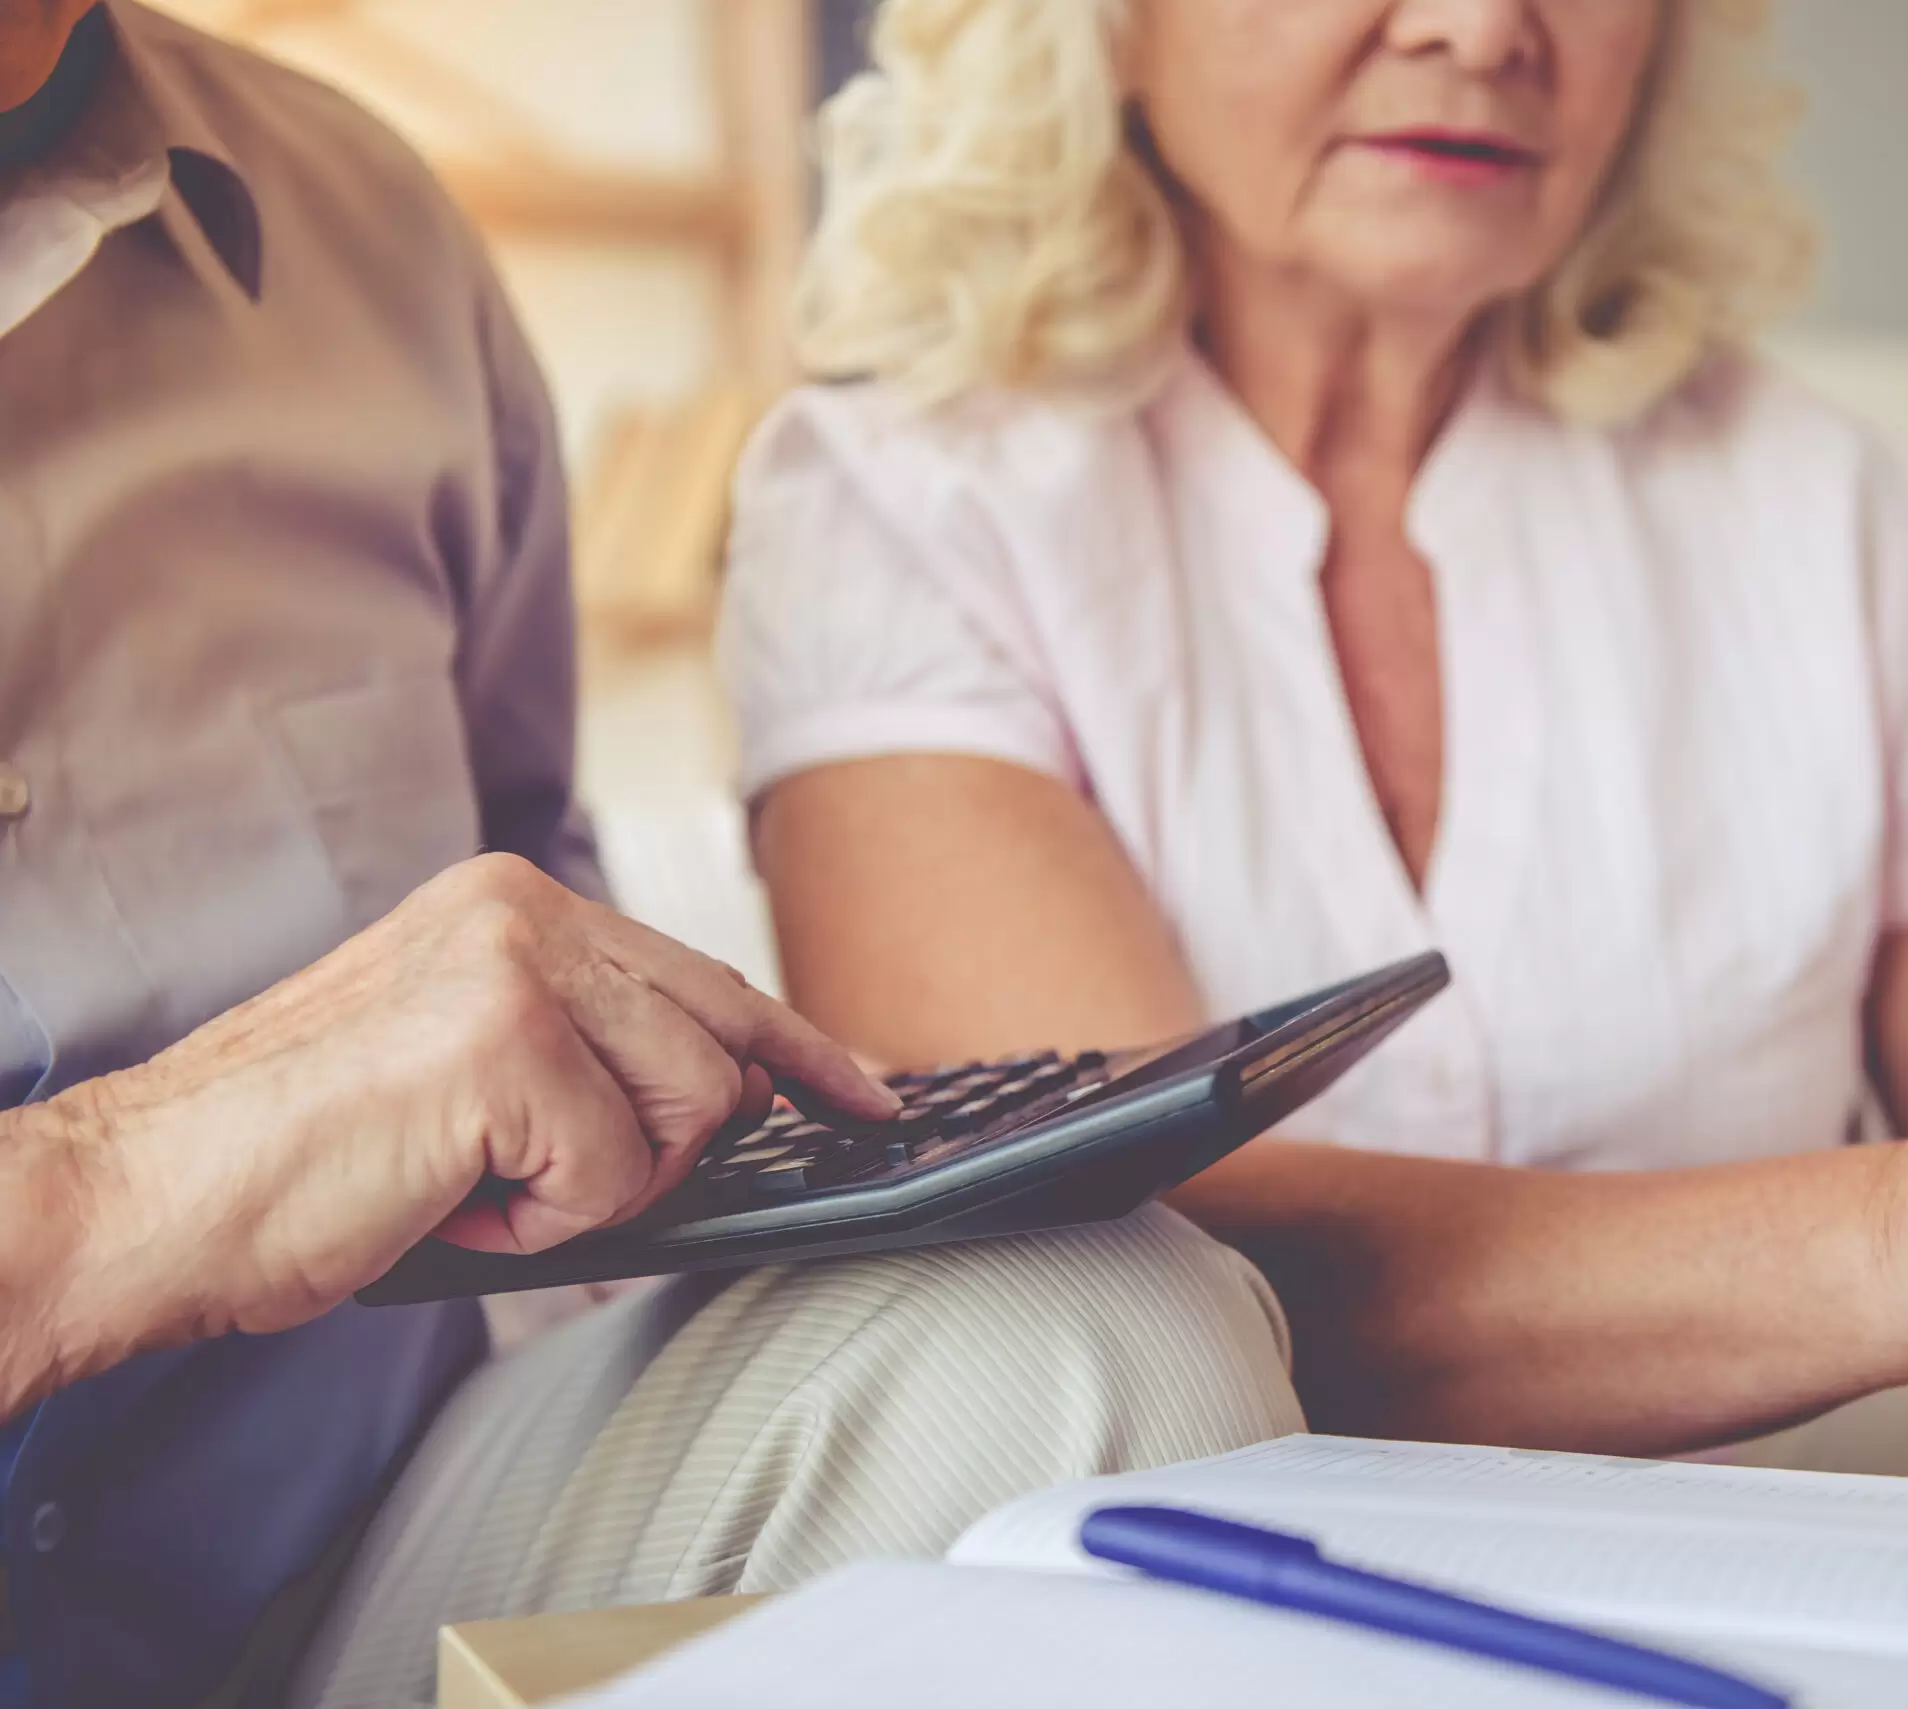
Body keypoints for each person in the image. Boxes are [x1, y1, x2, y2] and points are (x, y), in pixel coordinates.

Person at [721, 0, 1908, 1476]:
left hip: (1813, 1548)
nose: (1481, 25)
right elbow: (1144, 1267)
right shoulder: (893, 504)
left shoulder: (1810, 501)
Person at [0, 6, 1300, 1707]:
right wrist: (108, 1198)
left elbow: (533, 912)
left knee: (1093, 1321)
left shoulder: (370, 245)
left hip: (328, 1594)